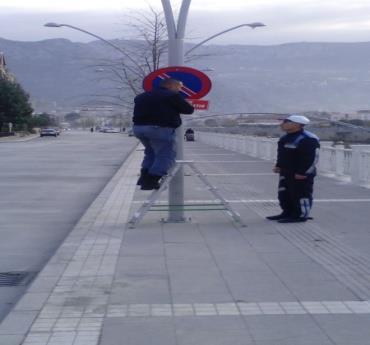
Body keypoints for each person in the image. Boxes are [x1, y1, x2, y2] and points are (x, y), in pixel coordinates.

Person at [132, 78, 194, 190]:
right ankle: (152, 181)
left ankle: (144, 178)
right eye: (179, 87)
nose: (179, 90)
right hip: (159, 129)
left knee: (151, 153)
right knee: (166, 155)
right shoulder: (171, 95)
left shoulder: (142, 96)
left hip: (138, 128)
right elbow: (188, 110)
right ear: (170, 86)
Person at [266, 114, 320, 223]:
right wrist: (278, 165)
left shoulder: (308, 138)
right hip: (286, 172)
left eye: (286, 122)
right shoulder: (284, 138)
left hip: (301, 173)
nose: (282, 124)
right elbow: (281, 154)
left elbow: (312, 158)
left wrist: (303, 172)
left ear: (297, 125)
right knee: (284, 194)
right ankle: (287, 212)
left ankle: (300, 215)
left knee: (300, 194)